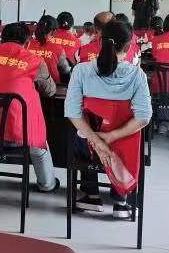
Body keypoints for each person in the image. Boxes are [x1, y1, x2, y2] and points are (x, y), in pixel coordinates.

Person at [64, 20, 152, 219]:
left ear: (100, 41)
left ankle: (92, 195)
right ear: (128, 47)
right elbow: (143, 118)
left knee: (81, 132)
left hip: (88, 147)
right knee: (132, 133)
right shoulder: (137, 75)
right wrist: (110, 137)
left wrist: (98, 141)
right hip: (123, 149)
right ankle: (121, 200)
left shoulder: (81, 71)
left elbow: (73, 113)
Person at [0, 22, 58, 198]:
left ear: (2, 39)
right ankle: (47, 184)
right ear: (27, 42)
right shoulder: (35, 61)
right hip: (20, 137)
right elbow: (50, 91)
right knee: (39, 144)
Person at [27, 15, 71, 84]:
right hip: (52, 86)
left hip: (29, 84)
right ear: (53, 31)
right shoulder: (58, 48)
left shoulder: (27, 45)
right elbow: (66, 70)